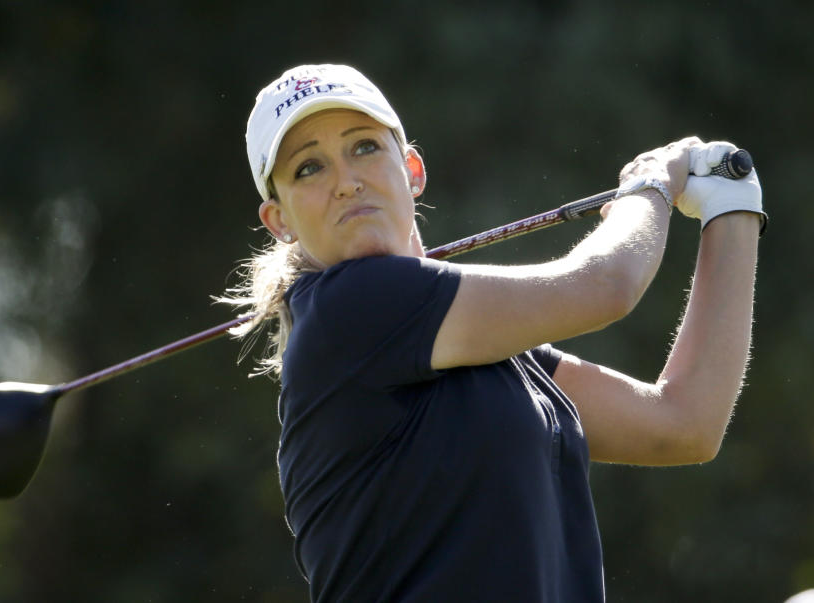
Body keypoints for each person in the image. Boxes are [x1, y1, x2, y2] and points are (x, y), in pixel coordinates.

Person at [221, 64, 765, 602]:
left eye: (363, 147)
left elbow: (683, 425)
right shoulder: (348, 310)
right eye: (309, 168)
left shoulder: (498, 354)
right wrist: (648, 187)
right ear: (279, 221)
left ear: (411, 169)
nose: (346, 181)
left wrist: (734, 206)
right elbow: (607, 285)